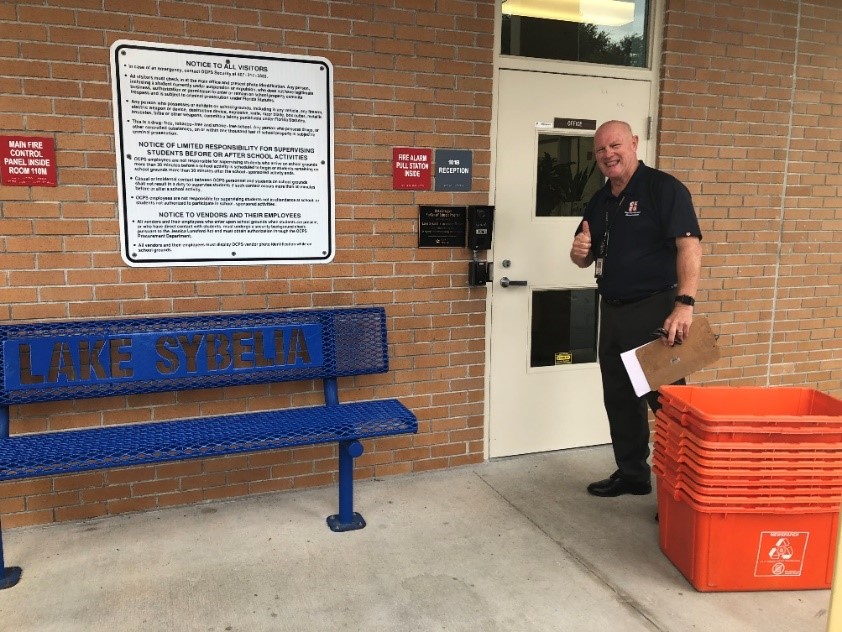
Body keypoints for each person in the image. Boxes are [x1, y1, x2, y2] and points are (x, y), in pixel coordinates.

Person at [570, 120, 702, 497]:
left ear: (633, 143)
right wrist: (579, 254)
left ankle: (682, 494)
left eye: (615, 146)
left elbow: (689, 247)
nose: (608, 155)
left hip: (655, 312)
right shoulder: (600, 200)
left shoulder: (664, 189)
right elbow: (586, 254)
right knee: (620, 399)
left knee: (668, 406)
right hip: (612, 312)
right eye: (600, 150)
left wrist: (684, 305)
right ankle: (632, 474)